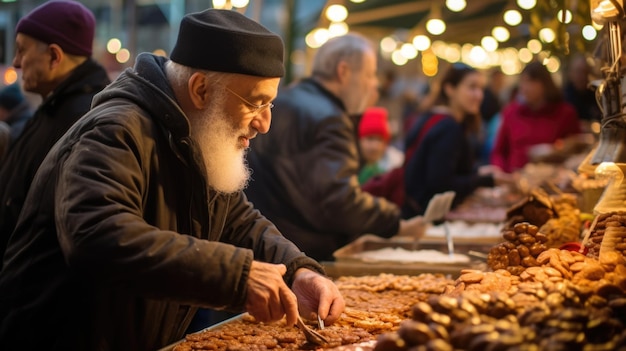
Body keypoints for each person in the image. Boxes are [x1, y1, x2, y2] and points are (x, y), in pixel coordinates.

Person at [0, 8, 344, 351]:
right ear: (200, 90)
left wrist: (298, 271)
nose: (264, 123)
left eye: (271, 105)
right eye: (255, 104)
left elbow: (237, 221)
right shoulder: (116, 130)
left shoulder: (192, 132)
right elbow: (97, 235)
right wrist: (238, 276)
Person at [245, 33, 426, 262]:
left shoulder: (283, 99)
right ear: (343, 72)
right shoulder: (331, 118)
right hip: (302, 253)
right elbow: (340, 203)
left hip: (263, 243)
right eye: (369, 75)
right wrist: (393, 219)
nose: (374, 84)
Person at [0, 0, 111, 262]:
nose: (15, 63)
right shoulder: (54, 106)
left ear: (54, 56)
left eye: (21, 51)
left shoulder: (81, 121)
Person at [403, 63, 513, 218]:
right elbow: (441, 184)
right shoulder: (449, 128)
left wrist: (478, 172)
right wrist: (485, 180)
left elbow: (443, 170)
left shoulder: (432, 116)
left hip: (416, 212)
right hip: (425, 219)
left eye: (481, 88)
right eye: (472, 87)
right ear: (450, 89)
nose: (479, 95)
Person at [490, 61, 582, 173]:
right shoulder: (511, 112)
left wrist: (554, 150)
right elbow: (499, 152)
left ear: (545, 84)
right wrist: (500, 172)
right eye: (522, 82)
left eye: (530, 82)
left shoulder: (565, 113)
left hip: (553, 178)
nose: (524, 88)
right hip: (514, 178)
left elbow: (576, 149)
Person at [357, 106, 403, 184]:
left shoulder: (391, 169)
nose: (375, 146)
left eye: (380, 140)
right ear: (359, 140)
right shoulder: (347, 170)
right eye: (370, 138)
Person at [563, 54, 601, 124]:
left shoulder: (596, 94)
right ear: (571, 73)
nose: (582, 76)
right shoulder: (564, 97)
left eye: (585, 72)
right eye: (578, 72)